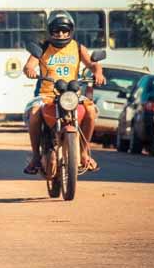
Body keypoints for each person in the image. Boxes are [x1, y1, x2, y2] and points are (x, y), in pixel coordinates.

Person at [23, 10, 105, 174]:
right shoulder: (42, 47)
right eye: (56, 31)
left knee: (90, 110)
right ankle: (36, 157)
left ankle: (83, 153)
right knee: (34, 113)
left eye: (64, 30)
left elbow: (93, 64)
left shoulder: (78, 47)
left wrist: (98, 73)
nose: (61, 34)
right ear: (50, 31)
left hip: (71, 95)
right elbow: (29, 65)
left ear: (71, 31)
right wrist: (30, 70)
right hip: (47, 95)